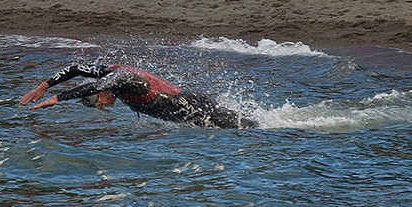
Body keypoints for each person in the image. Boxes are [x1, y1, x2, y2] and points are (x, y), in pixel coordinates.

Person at [21, 63, 257, 129]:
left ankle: (275, 128)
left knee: (242, 128)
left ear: (101, 92)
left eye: (98, 102)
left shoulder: (121, 79)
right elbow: (75, 69)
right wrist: (45, 85)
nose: (103, 107)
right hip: (183, 109)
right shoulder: (107, 73)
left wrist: (57, 98)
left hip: (189, 105)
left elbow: (89, 87)